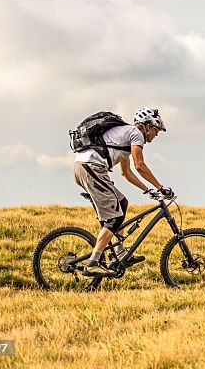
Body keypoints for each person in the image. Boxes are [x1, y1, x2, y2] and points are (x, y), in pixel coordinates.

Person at [72, 107, 173, 277]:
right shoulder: (136, 134)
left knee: (122, 203)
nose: (156, 135)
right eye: (156, 131)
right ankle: (92, 263)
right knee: (114, 217)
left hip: (85, 167)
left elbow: (126, 173)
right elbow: (139, 165)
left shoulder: (125, 136)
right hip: (92, 167)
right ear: (147, 126)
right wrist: (161, 187)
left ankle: (119, 254)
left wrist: (148, 190)